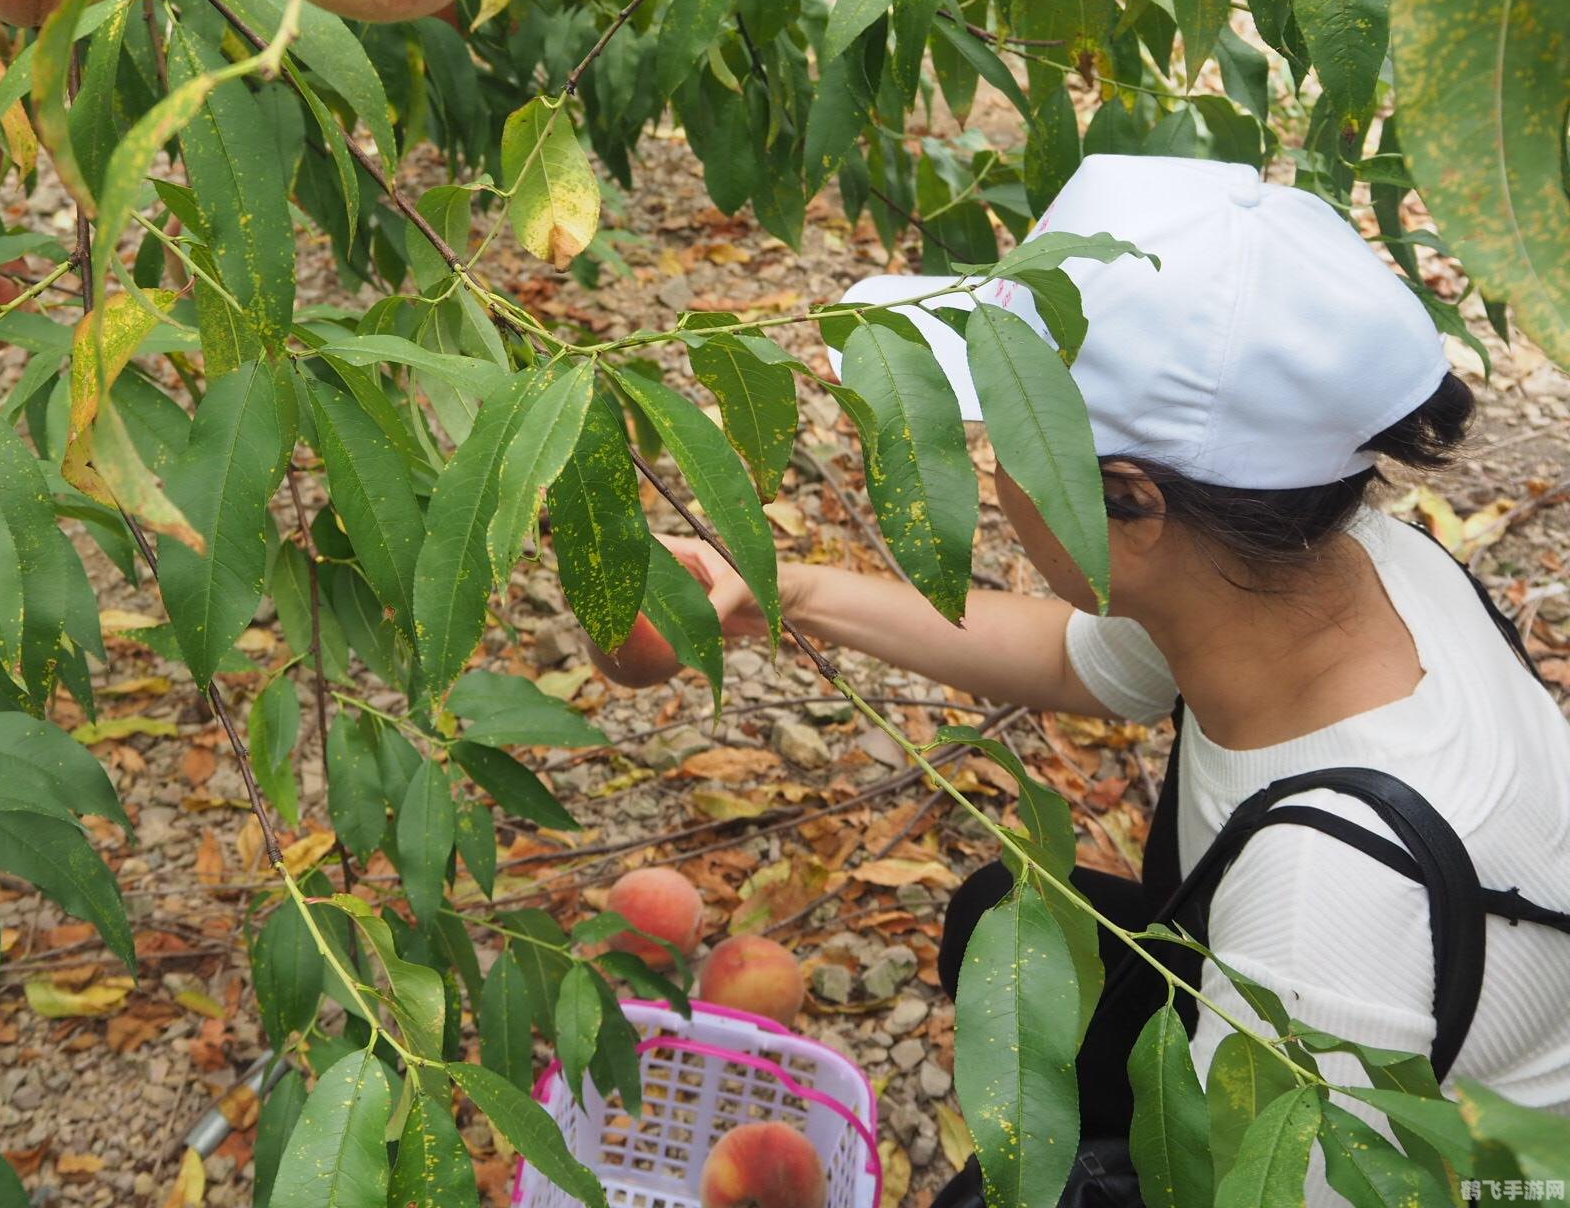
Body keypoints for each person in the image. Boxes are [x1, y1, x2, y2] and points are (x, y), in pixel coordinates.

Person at [589, 155, 1570, 1201]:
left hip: (1402, 1156)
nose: (985, 466)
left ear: (1128, 501)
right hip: (1276, 1018)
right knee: (1002, 921)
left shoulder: (1324, 917)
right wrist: (781, 591)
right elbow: (1066, 654)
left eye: (1002, 434)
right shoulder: (1317, 568)